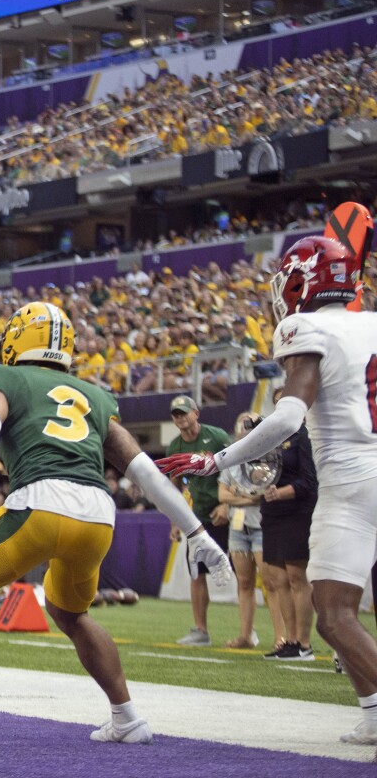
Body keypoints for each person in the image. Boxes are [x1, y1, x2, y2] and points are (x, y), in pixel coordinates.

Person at [0, 302, 232, 745]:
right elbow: (144, 471)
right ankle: (127, 717)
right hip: (97, 517)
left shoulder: (3, 377)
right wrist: (195, 530)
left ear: (16, 340)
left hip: (40, 503)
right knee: (71, 614)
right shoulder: (93, 394)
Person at [159, 236, 377, 743]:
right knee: (337, 610)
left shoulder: (306, 327)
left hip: (351, 481)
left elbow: (287, 417)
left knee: (334, 615)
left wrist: (217, 459)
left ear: (303, 282)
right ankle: (372, 716)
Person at [166, 394, 231, 647]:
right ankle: (200, 630)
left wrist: (227, 504)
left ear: (196, 413)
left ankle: (248, 632)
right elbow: (172, 487)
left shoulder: (216, 437)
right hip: (196, 518)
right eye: (176, 414)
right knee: (197, 573)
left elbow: (235, 469)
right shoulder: (174, 447)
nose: (180, 418)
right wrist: (175, 521)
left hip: (224, 513)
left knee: (244, 574)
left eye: (184, 412)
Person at [256, 412, 317, 661]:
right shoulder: (270, 437)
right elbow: (255, 469)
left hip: (297, 510)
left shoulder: (303, 436)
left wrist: (280, 493)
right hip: (272, 512)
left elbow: (309, 481)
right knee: (278, 579)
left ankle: (304, 643)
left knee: (296, 576)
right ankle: (289, 641)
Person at [216, 413, 265, 649]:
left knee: (273, 583)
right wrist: (248, 497)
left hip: (262, 525)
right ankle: (246, 635)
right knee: (244, 583)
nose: (244, 428)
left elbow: (262, 494)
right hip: (238, 526)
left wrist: (237, 494)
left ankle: (284, 637)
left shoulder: (269, 454)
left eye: (249, 424)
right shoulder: (232, 456)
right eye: (242, 424)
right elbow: (222, 495)